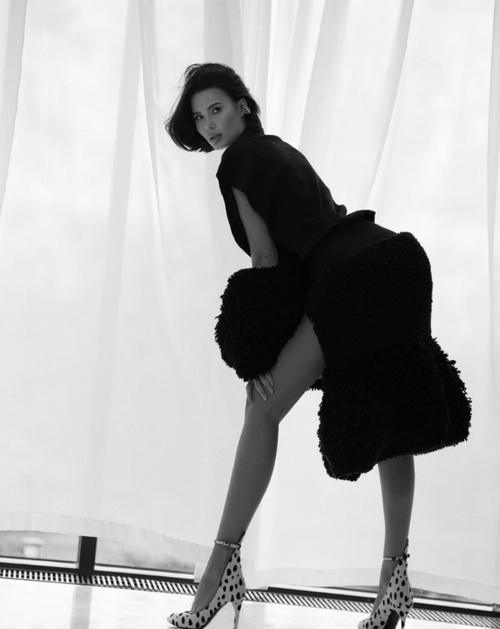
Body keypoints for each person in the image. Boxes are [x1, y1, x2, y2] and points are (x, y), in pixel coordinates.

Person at [164, 63, 471, 629]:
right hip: (396, 259)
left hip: (352, 274)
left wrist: (256, 359)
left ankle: (219, 575)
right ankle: (394, 587)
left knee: (262, 409)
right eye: (200, 116)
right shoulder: (278, 148)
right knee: (392, 424)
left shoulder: (237, 162)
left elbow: (267, 260)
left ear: (243, 106)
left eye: (217, 109)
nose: (209, 125)